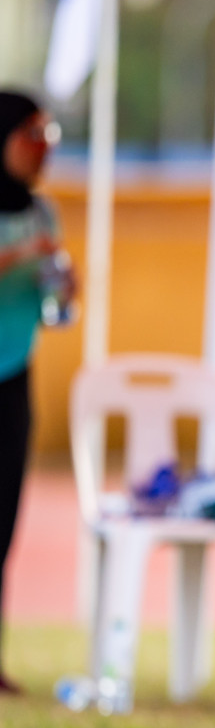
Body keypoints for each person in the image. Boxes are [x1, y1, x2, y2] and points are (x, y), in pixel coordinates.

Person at [0, 92, 71, 696]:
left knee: (1, 522)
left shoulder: (44, 214)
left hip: (13, 373)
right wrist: (19, 256)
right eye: (30, 139)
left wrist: (62, 286)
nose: (40, 153)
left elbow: (54, 313)